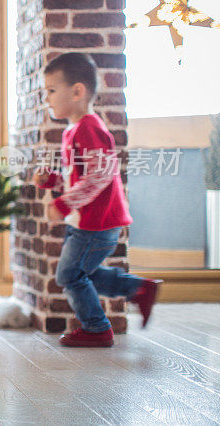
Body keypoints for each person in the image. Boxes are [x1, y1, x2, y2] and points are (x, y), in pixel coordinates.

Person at [33, 52, 160, 347]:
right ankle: (140, 290)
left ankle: (97, 328)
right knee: (82, 273)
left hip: (97, 223)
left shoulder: (89, 128)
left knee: (68, 275)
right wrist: (51, 180)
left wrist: (62, 204)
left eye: (52, 91)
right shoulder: (73, 130)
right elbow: (78, 175)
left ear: (77, 92)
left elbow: (100, 175)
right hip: (87, 222)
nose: (47, 98)